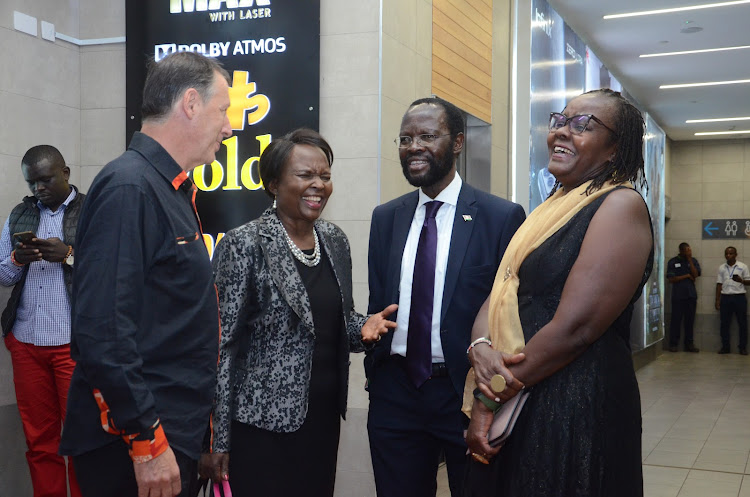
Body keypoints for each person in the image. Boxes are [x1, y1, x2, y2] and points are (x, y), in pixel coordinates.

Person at [463, 88, 653, 497]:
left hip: (575, 405)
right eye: (561, 120)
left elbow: (576, 327)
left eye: (583, 125)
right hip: (525, 389)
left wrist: (489, 397)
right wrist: (480, 344)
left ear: (614, 149)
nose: (562, 132)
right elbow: (504, 288)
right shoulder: (553, 205)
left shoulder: (620, 206)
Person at [59, 51, 232, 497]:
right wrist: (147, 443)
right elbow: (103, 333)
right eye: (224, 111)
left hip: (170, 435)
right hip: (135, 445)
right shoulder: (130, 187)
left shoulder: (167, 187)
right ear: (190, 104)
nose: (229, 129)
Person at [200, 128, 397, 496]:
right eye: (305, 175)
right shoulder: (244, 244)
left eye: (324, 176)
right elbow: (220, 348)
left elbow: (336, 322)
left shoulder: (335, 240)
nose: (318, 185)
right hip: (259, 428)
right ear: (274, 184)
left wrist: (364, 328)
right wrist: (216, 439)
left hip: (321, 421)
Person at [366, 97, 526, 497]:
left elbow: (509, 313)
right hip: (395, 393)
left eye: (427, 136)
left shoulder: (499, 217)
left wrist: (487, 399)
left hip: (465, 392)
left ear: (457, 142)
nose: (414, 146)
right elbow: (378, 303)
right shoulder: (386, 217)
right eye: (405, 138)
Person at [0, 145, 82, 497]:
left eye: (46, 179)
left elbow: (114, 271)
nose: (38, 189)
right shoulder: (20, 213)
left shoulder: (92, 210)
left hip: (73, 345)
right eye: (32, 182)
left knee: (81, 439)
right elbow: (4, 276)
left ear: (65, 173)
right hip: (26, 343)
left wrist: (69, 255)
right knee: (39, 441)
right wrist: (18, 260)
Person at [666, 243, 701, 352]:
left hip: (691, 296)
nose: (689, 252)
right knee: (676, 320)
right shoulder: (673, 261)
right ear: (681, 250)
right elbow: (671, 279)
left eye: (690, 250)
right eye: (687, 250)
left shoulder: (693, 261)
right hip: (678, 296)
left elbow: (695, 275)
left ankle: (689, 344)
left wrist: (690, 259)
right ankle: (673, 344)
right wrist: (686, 276)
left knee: (690, 321)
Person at [715, 246, 749, 355]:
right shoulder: (721, 268)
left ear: (736, 255)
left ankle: (742, 348)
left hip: (739, 298)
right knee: (724, 324)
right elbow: (719, 284)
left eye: (730, 254)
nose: (728, 256)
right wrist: (717, 300)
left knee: (742, 324)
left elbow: (749, 281)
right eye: (726, 254)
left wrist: (741, 281)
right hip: (725, 298)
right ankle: (725, 347)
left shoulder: (743, 266)